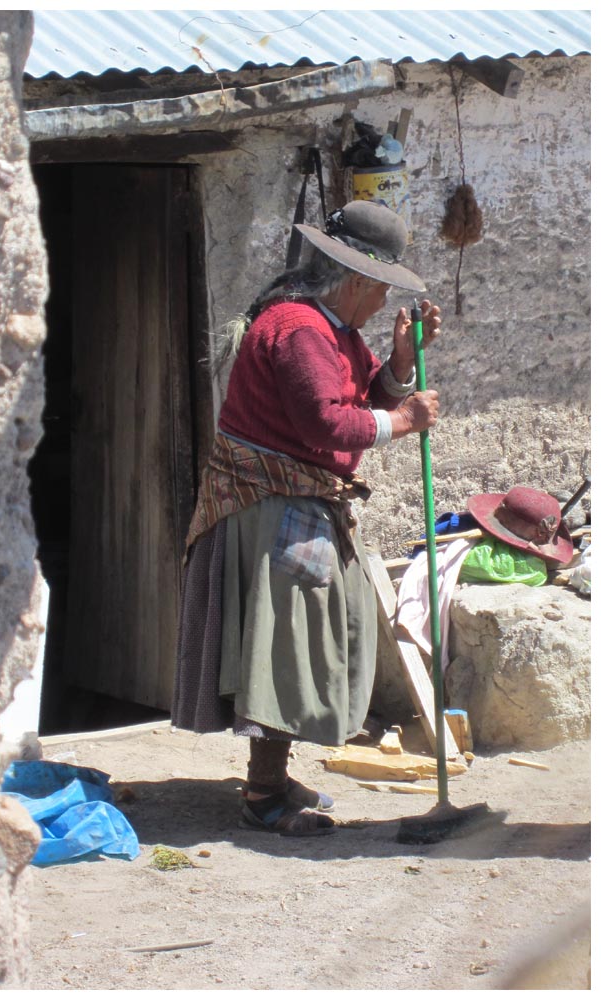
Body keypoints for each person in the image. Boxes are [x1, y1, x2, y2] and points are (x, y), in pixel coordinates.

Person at [172, 199, 442, 836]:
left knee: (292, 648)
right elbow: (324, 422)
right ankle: (264, 796)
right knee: (282, 651)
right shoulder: (297, 330)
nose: (380, 307)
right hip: (270, 511)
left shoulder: (332, 332)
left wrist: (401, 363)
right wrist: (406, 421)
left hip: (294, 508)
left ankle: (273, 774)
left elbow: (353, 393)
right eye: (379, 293)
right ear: (356, 283)